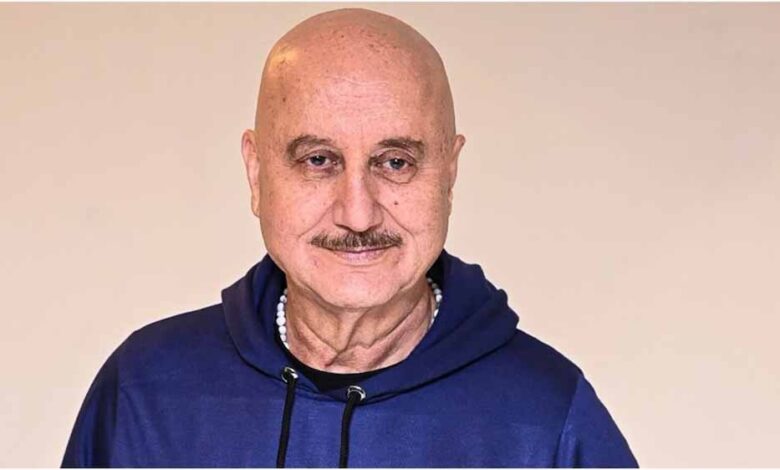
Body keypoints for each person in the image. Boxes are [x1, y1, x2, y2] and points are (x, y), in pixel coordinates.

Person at [62, 8, 638, 468]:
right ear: (257, 174)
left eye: (395, 162)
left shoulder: (548, 418)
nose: (358, 214)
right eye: (318, 160)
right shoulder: (144, 390)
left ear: (449, 173)